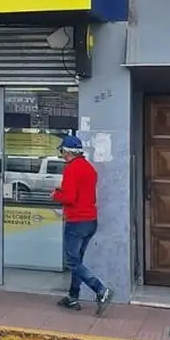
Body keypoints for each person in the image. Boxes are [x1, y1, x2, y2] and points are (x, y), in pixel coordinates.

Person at [52, 135, 113, 315]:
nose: (62, 155)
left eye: (62, 151)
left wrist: (55, 195)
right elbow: (83, 193)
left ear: (68, 152)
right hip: (90, 221)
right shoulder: (89, 168)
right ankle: (73, 297)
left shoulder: (71, 169)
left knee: (72, 261)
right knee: (77, 261)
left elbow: (69, 198)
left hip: (76, 221)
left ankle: (101, 290)